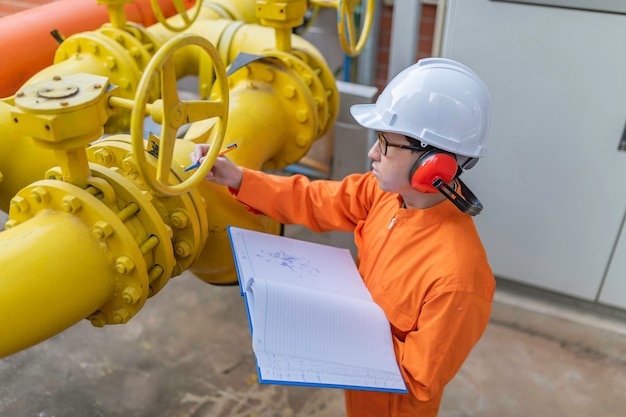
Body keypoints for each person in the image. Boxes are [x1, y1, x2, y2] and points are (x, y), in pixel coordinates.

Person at [191, 57, 495, 417]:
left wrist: (333, 333)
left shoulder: (457, 280)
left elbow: (418, 380)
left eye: (385, 143)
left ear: (434, 165)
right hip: (358, 391)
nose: (372, 153)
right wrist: (240, 178)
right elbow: (315, 200)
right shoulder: (384, 194)